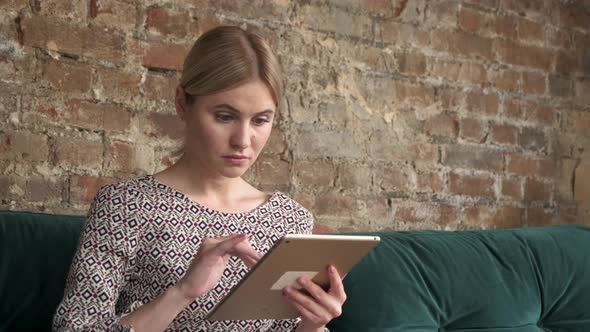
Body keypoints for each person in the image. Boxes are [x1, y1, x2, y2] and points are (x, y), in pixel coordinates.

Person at [52, 26, 346, 331]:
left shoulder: (291, 220)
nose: (243, 140)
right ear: (182, 103)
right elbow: (75, 328)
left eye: (260, 120)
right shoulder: (127, 206)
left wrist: (313, 324)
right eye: (225, 116)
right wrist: (182, 292)